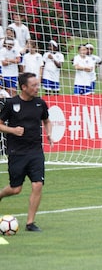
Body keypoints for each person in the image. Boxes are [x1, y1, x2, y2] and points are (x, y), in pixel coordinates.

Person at [0, 72, 54, 232]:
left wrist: (49, 133)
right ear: (24, 87)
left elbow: (46, 120)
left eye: (38, 85)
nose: (37, 88)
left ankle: (30, 223)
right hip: (17, 152)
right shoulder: (11, 104)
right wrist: (12, 130)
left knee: (37, 185)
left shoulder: (40, 103)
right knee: (15, 189)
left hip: (36, 151)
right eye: (34, 86)